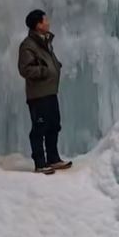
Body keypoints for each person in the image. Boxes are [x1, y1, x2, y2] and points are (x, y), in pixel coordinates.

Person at [18, 9, 72, 175]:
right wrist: (45, 71)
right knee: (39, 128)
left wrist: (55, 66)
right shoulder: (28, 45)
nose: (48, 22)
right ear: (38, 25)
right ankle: (40, 163)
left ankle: (53, 159)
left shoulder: (44, 42)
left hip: (49, 92)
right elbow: (25, 69)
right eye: (45, 20)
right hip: (38, 95)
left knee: (54, 125)